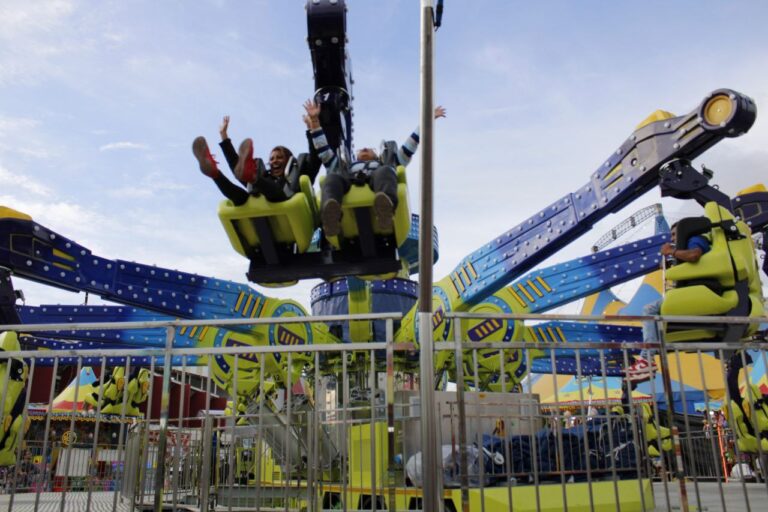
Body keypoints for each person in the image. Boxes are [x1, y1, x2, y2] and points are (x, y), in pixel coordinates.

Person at [303, 99, 446, 236]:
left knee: (385, 171)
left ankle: (385, 208)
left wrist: (427, 120)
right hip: (349, 182)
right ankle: (331, 216)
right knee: (332, 177)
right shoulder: (344, 167)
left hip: (377, 182)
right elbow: (324, 151)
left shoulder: (387, 164)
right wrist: (315, 121)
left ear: (377, 155)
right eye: (360, 150)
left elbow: (411, 144)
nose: (364, 148)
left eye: (369, 149)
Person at [192, 116, 321, 205]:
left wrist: (312, 129)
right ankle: (214, 173)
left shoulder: (299, 174)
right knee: (241, 197)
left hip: (286, 210)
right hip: (258, 216)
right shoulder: (265, 177)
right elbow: (235, 165)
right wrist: (224, 137)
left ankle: (251, 176)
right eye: (272, 159)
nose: (274, 161)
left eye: (279, 157)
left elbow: (316, 157)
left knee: (274, 192)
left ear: (288, 160)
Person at [641, 223, 711, 342]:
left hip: (696, 289)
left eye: (674, 234)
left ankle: (648, 354)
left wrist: (671, 251)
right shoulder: (686, 246)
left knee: (649, 309)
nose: (672, 239)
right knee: (651, 316)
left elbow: (694, 255)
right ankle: (652, 348)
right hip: (691, 289)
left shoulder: (694, 240)